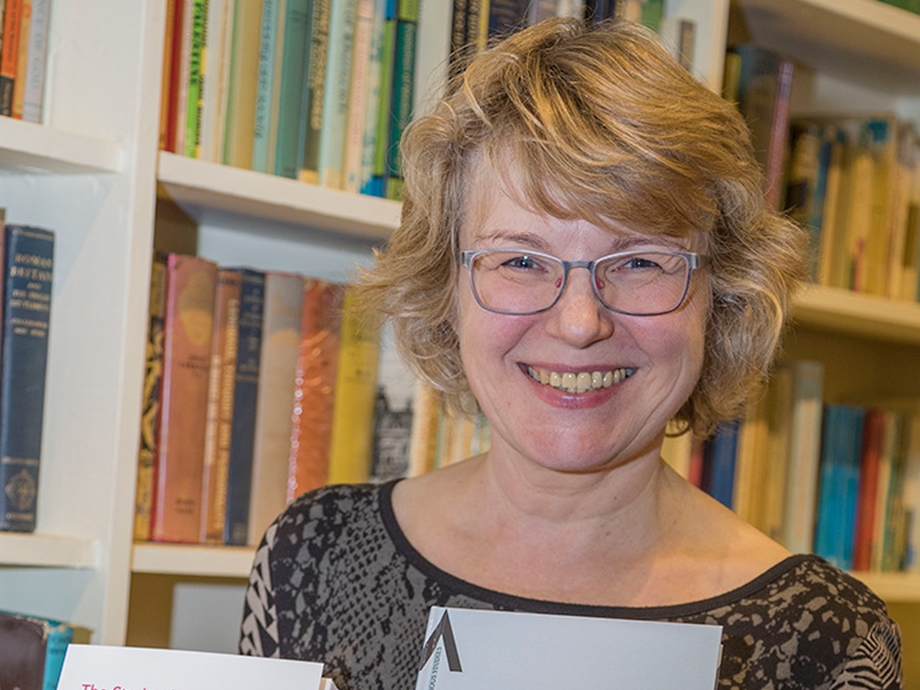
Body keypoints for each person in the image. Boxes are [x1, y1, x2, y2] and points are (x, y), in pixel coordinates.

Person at [239, 16, 903, 690]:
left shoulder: (831, 642)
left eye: (641, 261)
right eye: (522, 259)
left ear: (721, 295)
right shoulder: (312, 557)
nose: (580, 322)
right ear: (448, 289)